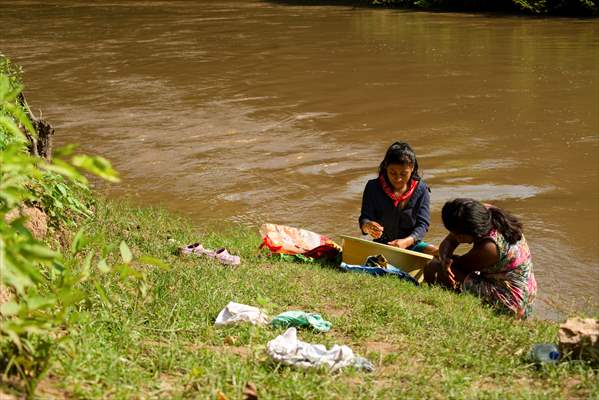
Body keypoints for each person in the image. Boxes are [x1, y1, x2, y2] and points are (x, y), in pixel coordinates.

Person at [424, 198, 537, 319]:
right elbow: (449, 241)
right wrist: (444, 257)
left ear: (474, 232)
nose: (456, 238)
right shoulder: (484, 213)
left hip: (511, 301)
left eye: (459, 235)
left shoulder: (489, 249)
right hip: (525, 289)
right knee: (440, 264)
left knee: (433, 269)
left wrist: (444, 262)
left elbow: (459, 266)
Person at [359, 141, 434, 253]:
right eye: (392, 173)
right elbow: (365, 217)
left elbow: (423, 225)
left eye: (403, 174)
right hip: (383, 245)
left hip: (411, 245)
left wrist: (405, 242)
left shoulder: (421, 189)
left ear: (412, 168)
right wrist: (367, 226)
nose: (398, 178)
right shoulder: (373, 187)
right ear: (385, 167)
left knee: (438, 252)